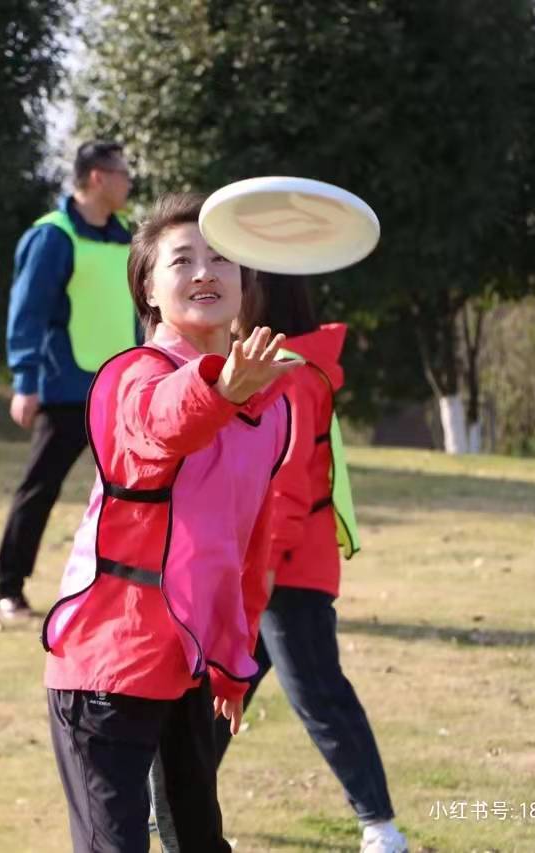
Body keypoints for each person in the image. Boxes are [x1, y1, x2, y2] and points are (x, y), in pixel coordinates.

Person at [43, 193, 300, 852]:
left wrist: (235, 663)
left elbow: (248, 548)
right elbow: (163, 424)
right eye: (182, 260)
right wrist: (221, 389)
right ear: (149, 292)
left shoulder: (268, 407)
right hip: (107, 663)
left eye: (221, 258)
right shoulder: (135, 378)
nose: (205, 272)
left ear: (244, 282)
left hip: (187, 664)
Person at [206, 273, 408, 853]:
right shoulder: (283, 367)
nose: (223, 293)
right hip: (263, 565)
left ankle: (379, 824)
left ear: (260, 297)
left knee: (316, 693)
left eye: (236, 282)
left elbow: (288, 485)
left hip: (286, 571)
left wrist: (263, 571)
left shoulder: (289, 374)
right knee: (220, 690)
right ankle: (170, 803)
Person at [0, 140, 137, 622]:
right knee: (40, 490)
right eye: (122, 173)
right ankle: (8, 587)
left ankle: (124, 591)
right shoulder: (52, 237)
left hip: (123, 390)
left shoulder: (127, 238)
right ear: (97, 177)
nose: (128, 182)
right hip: (66, 389)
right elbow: (28, 312)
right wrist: (25, 379)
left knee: (133, 496)